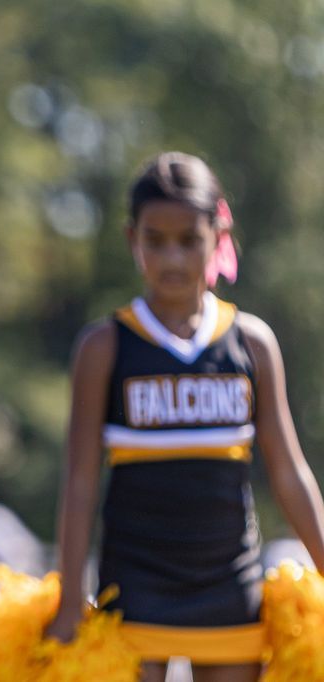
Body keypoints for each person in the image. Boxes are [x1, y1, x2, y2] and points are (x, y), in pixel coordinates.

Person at [48, 152, 324, 682]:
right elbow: (81, 483)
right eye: (155, 240)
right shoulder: (105, 345)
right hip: (132, 586)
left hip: (228, 586)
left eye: (189, 240)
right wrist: (67, 602)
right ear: (132, 239)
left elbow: (289, 472)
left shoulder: (252, 343)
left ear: (218, 235)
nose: (172, 258)